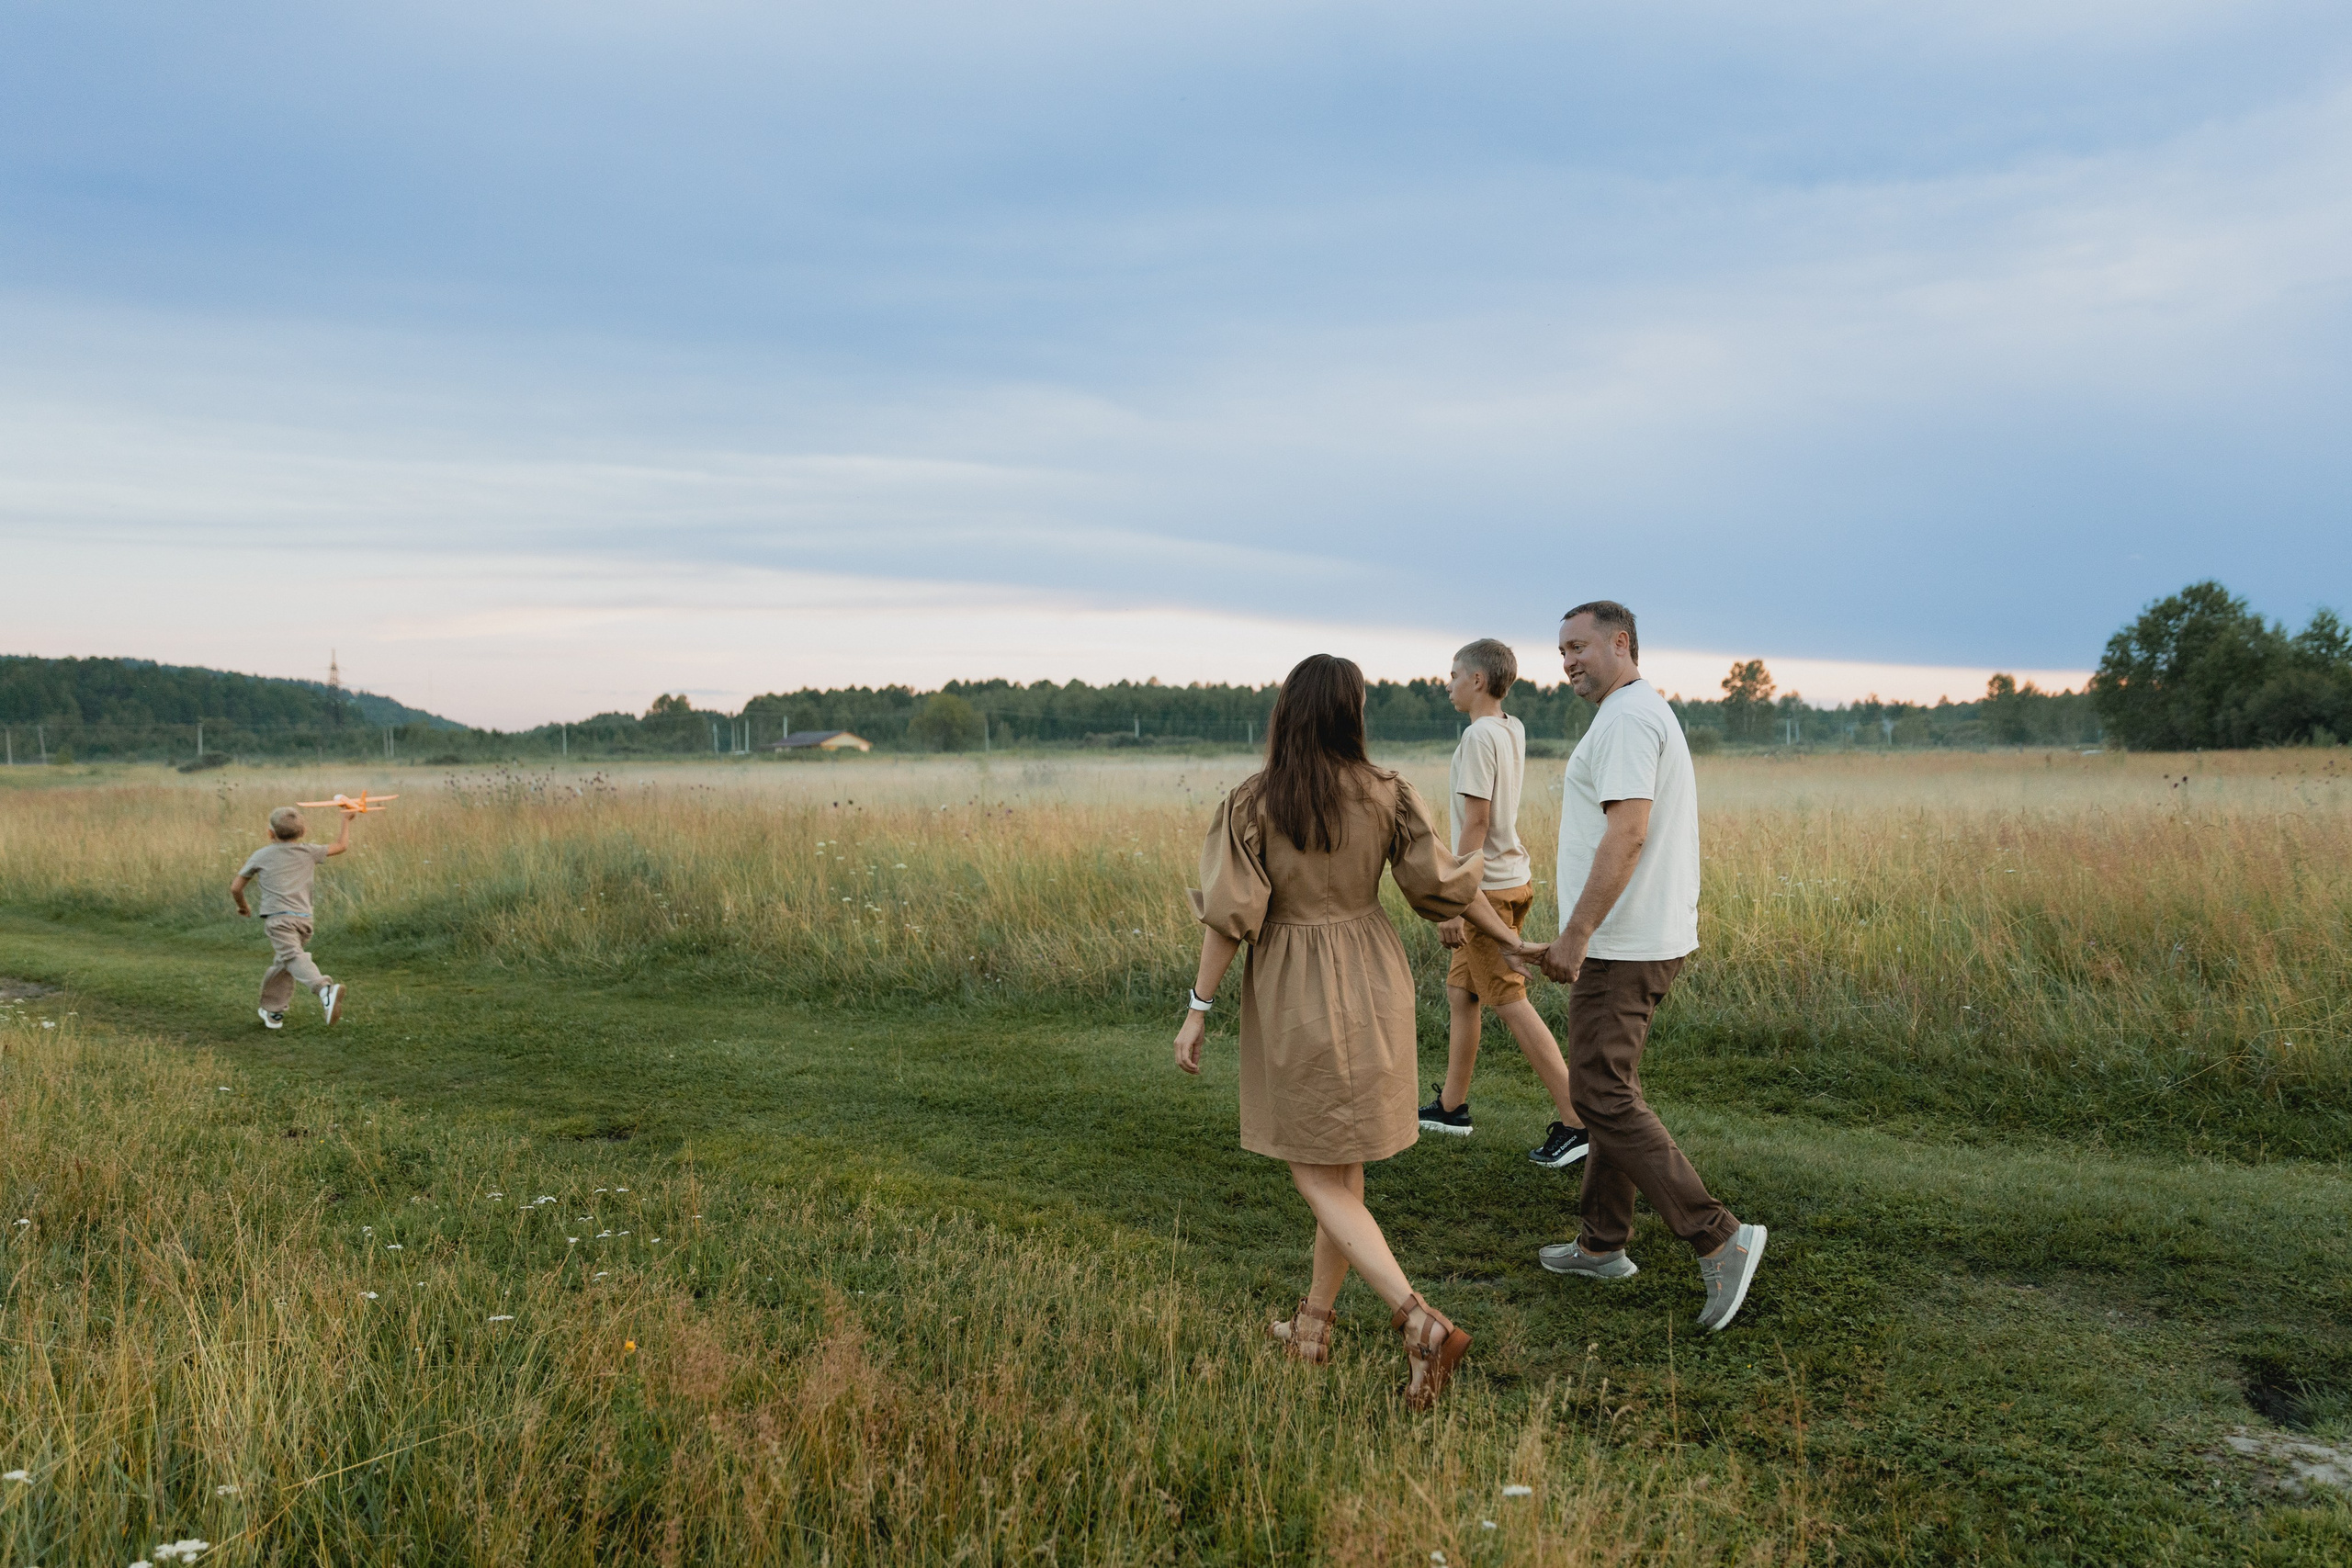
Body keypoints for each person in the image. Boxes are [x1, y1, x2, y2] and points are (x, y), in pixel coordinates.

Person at [1173, 653, 1537, 1408]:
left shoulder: (1256, 799)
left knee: (1310, 1161)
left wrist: (1197, 1007)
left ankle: (1419, 1322)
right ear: (1353, 712)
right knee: (1341, 1160)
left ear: (1288, 710)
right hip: (1373, 976)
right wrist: (1507, 935)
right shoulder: (1387, 791)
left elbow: (1228, 919)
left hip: (1295, 981)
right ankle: (1313, 1325)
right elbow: (1441, 884)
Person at [1520, 601, 1767, 1333]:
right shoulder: (1637, 711)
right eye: (1560, 650)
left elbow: (1628, 833)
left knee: (1598, 1093)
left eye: (1579, 646)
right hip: (1639, 935)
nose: (1567, 661)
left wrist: (1576, 934)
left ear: (1620, 642)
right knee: (1608, 1087)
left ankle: (1718, 1236)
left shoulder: (1628, 718)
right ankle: (1602, 1243)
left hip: (1622, 942)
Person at [1418, 637, 1590, 1168]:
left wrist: (1453, 900)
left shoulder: (1475, 739)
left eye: (1453, 675)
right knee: (1461, 992)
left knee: (1510, 1001)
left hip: (1483, 888)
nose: (1447, 684)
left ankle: (1576, 1122)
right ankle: (1451, 1107)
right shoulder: (1510, 728)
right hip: (1513, 876)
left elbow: (1475, 821)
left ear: (1476, 681)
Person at [231, 804, 354, 1029]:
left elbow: (236, 888)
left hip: (278, 920)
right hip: (304, 920)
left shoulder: (261, 855)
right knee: (285, 962)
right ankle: (273, 1011)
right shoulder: (309, 851)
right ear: (303, 833)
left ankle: (324, 989)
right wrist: (346, 819)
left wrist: (243, 906)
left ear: (270, 833)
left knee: (293, 958)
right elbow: (341, 845)